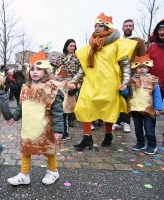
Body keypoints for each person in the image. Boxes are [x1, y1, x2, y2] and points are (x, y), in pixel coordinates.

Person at [68, 12, 137, 150]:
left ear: (107, 28)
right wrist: (74, 81)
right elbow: (84, 68)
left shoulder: (118, 44)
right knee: (83, 107)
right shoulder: (90, 47)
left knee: (107, 111)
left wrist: (125, 82)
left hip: (109, 84)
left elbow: (125, 66)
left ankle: (108, 134)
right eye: (95, 26)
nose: (96, 28)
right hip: (90, 83)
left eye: (100, 26)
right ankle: (87, 138)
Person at [7, 50, 64, 185]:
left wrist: (58, 130)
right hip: (29, 125)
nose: (35, 71)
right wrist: (14, 117)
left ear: (45, 71)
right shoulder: (26, 87)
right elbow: (22, 105)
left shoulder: (51, 88)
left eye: (39, 69)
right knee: (26, 148)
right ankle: (24, 174)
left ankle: (53, 171)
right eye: (32, 69)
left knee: (48, 148)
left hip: (46, 125)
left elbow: (57, 110)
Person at [120, 54, 162, 154]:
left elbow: (157, 95)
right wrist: (122, 90)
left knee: (149, 128)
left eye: (144, 67)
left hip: (148, 108)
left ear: (148, 68)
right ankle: (140, 143)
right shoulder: (132, 81)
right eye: (139, 67)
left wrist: (158, 107)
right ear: (135, 69)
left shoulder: (153, 80)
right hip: (135, 108)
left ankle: (152, 145)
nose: (142, 69)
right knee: (138, 128)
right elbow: (128, 93)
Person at [112, 19, 147, 133]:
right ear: (122, 28)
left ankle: (126, 122)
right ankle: (117, 121)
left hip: (132, 74)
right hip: (118, 73)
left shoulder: (139, 41)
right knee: (117, 97)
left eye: (130, 26)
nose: (128, 27)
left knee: (128, 97)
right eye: (126, 26)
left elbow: (143, 58)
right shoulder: (118, 41)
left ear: (133, 28)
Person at [56, 39, 82, 128]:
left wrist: (79, 82)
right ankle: (63, 120)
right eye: (70, 46)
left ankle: (71, 118)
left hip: (73, 82)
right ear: (66, 46)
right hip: (62, 82)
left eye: (74, 46)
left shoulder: (78, 57)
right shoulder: (60, 57)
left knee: (72, 101)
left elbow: (81, 71)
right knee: (63, 102)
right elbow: (57, 71)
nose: (72, 48)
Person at [147, 19, 164, 145]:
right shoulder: (152, 47)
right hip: (155, 85)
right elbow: (146, 64)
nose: (162, 32)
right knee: (152, 111)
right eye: (160, 30)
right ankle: (150, 135)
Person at [54, 65, 74, 140]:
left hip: (64, 104)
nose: (54, 75)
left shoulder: (66, 82)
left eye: (56, 74)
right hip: (60, 104)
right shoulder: (59, 81)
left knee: (64, 119)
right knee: (60, 119)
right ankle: (61, 132)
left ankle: (65, 133)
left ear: (60, 75)